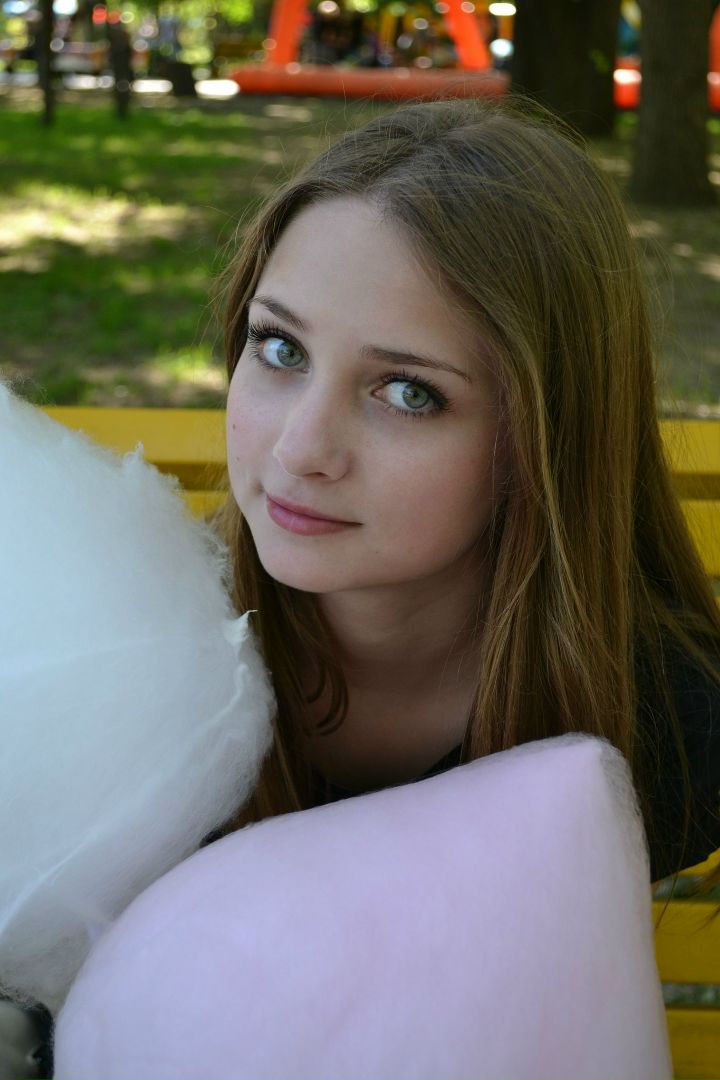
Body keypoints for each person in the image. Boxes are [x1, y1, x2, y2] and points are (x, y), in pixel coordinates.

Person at [216, 94, 720, 887]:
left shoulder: (662, 725)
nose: (301, 449)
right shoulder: (135, 652)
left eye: (408, 392)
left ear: (545, 439)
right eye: (280, 347)